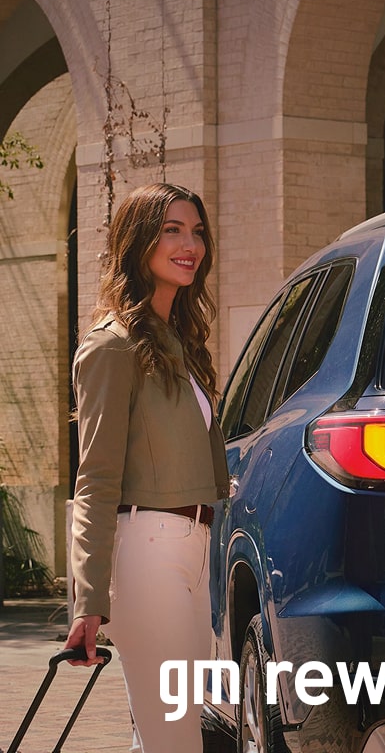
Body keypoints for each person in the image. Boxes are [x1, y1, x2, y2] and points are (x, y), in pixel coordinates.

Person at [65, 183, 230, 753]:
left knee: (166, 735)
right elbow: (95, 478)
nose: (191, 245)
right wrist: (88, 601)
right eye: (172, 230)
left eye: (198, 231)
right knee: (174, 739)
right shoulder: (111, 347)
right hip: (146, 549)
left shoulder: (181, 342)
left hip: (192, 546)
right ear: (138, 242)